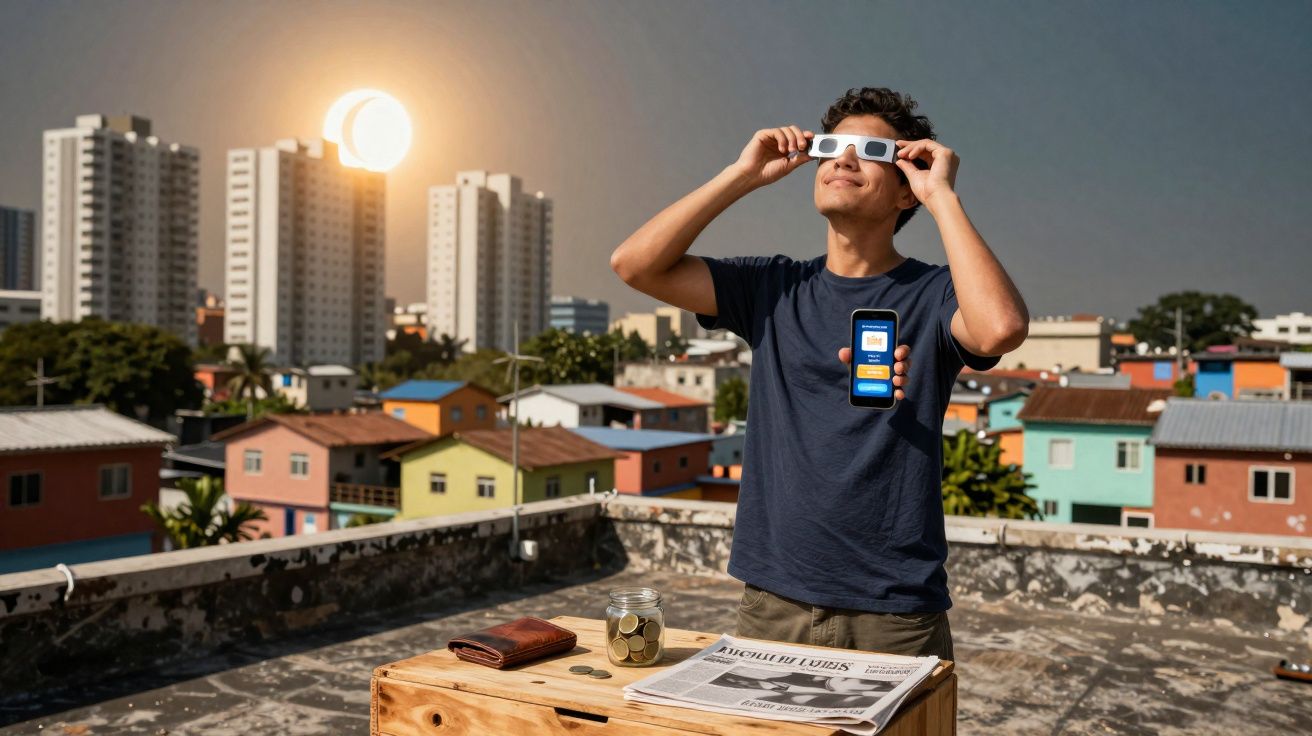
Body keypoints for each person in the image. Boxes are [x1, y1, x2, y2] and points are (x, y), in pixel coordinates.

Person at [609, 87, 1028, 660]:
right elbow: (634, 264)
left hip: (894, 611)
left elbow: (1001, 328)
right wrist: (741, 175)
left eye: (871, 152)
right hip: (772, 601)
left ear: (905, 188)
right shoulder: (772, 287)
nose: (844, 159)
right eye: (832, 148)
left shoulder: (934, 294)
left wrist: (942, 197)